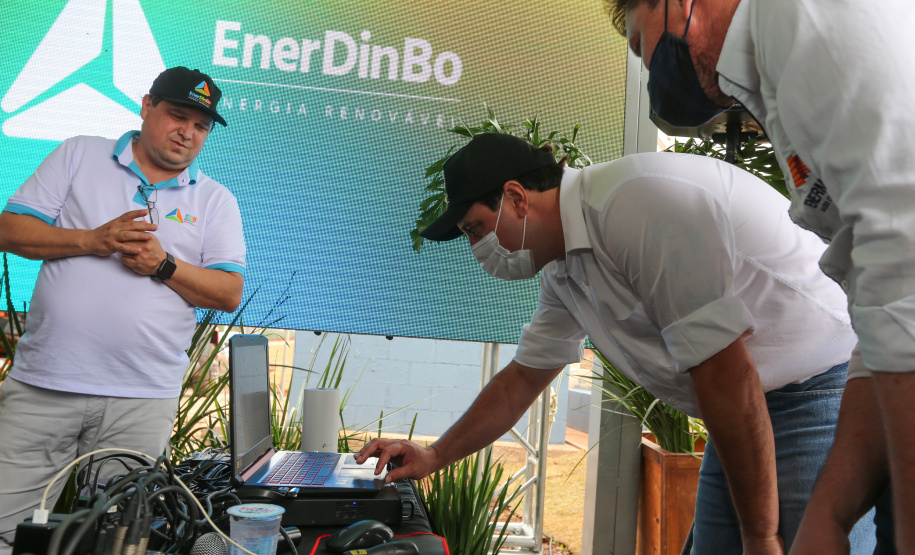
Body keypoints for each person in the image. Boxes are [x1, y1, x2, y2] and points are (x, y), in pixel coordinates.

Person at [356, 132, 875, 554]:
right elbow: (524, 378)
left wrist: (760, 537)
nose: (477, 250)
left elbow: (726, 374)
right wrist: (435, 455)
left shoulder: (636, 206)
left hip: (819, 387)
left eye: (475, 230)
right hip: (743, 411)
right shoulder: (565, 268)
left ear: (516, 197)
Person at [606, 0, 910, 551]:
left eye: (637, 43)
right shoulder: (776, 79)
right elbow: (879, 310)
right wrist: (830, 512)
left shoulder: (800, 19)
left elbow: (904, 280)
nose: (649, 68)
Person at [0, 67, 246, 551]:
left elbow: (228, 292)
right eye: (178, 116)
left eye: (201, 126)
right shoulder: (79, 153)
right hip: (43, 382)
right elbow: (9, 230)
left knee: (118, 540)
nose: (187, 133)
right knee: (4, 528)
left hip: (141, 397)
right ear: (146, 105)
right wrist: (92, 240)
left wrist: (165, 266)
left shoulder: (216, 200)